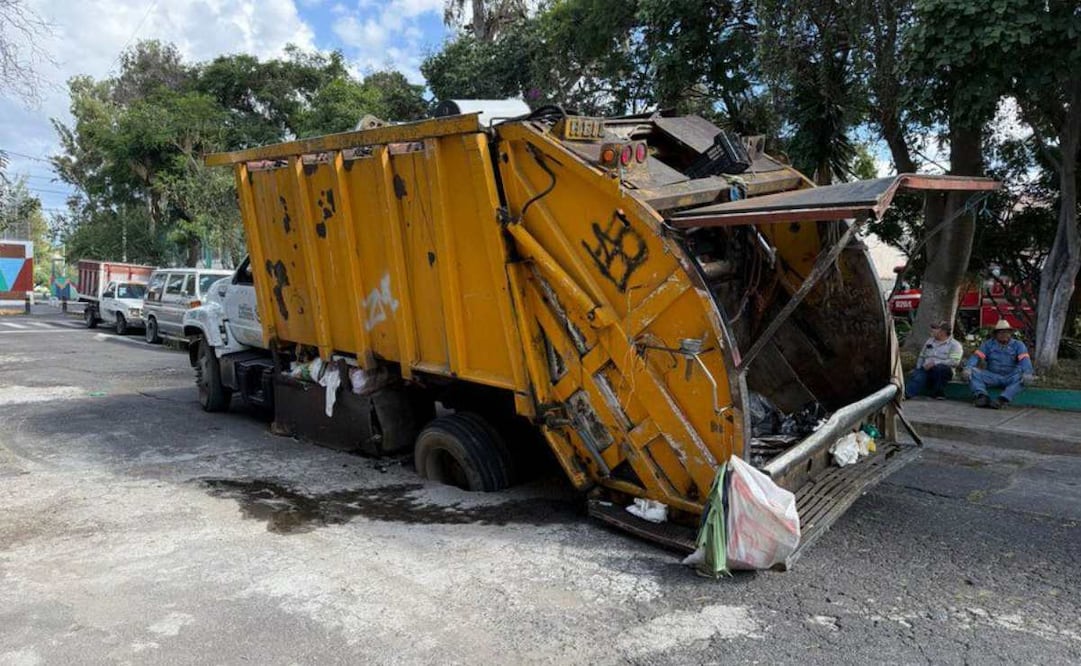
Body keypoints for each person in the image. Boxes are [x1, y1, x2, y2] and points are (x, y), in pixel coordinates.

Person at [962, 320, 1035, 409]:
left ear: (1010, 333)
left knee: (1022, 377)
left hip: (1010, 376)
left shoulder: (1018, 345)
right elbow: (976, 356)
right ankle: (982, 396)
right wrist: (968, 368)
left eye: (1006, 332)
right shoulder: (988, 344)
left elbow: (1025, 360)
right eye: (1000, 332)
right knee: (973, 372)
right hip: (992, 376)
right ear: (995, 334)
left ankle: (1002, 399)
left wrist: (1027, 372)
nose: (1004, 334)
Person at [905, 320, 963, 399]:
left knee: (939, 369)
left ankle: (939, 393)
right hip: (927, 368)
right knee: (918, 376)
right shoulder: (930, 341)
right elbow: (922, 356)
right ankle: (906, 394)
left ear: (943, 332)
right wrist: (919, 368)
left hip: (944, 371)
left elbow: (955, 362)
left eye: (935, 328)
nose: (932, 330)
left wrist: (935, 363)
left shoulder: (955, 345)